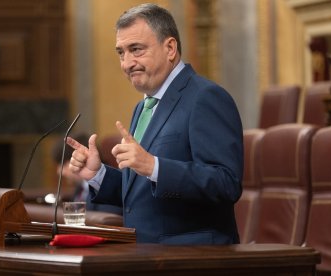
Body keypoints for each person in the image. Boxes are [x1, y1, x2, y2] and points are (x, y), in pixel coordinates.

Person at [67, 3, 243, 245]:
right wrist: (97, 175)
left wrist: (154, 166)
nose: (127, 63)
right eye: (121, 52)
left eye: (136, 49)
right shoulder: (143, 106)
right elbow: (141, 194)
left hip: (194, 259)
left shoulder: (205, 97)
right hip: (146, 258)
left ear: (170, 48)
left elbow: (226, 183)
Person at [52, 133, 122, 215]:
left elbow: (109, 221)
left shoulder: (111, 187)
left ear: (82, 158)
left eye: (63, 164)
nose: (60, 171)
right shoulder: (80, 189)